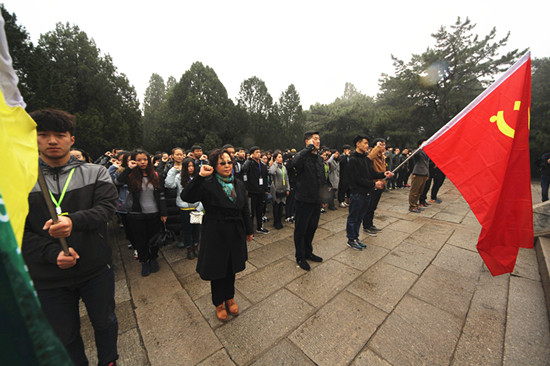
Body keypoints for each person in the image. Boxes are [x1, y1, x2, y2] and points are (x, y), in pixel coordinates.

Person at [22, 109, 119, 366]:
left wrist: (73, 221)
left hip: (95, 268)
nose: (52, 141)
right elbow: (17, 232)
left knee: (106, 322)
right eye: (43, 135)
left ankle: (109, 361)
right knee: (65, 335)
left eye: (59, 134)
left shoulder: (95, 172)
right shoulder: (21, 180)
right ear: (34, 139)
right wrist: (51, 254)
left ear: (71, 139)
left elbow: (106, 210)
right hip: (49, 277)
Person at [181, 149, 253, 321]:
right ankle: (218, 302)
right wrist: (200, 176)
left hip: (235, 231)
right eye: (222, 163)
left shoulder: (238, 184)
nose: (227, 166)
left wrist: (249, 229)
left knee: (231, 268)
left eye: (229, 162)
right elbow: (187, 196)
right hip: (216, 233)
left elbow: (244, 208)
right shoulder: (208, 184)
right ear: (214, 165)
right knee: (218, 269)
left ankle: (230, 297)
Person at [116, 149, 167, 276]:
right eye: (139, 160)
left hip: (154, 213)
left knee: (154, 239)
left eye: (145, 159)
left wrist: (163, 212)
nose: (142, 162)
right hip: (136, 214)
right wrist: (129, 168)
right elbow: (117, 182)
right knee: (140, 240)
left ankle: (153, 258)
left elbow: (161, 195)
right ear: (134, 161)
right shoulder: (130, 176)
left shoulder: (155, 175)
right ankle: (144, 261)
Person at [345, 135, 392, 250]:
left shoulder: (365, 159)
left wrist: (383, 174)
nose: (367, 146)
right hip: (357, 193)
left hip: (366, 193)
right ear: (358, 144)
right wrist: (373, 184)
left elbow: (372, 174)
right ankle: (351, 239)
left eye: (367, 144)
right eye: (365, 143)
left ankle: (356, 238)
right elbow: (356, 179)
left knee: (360, 217)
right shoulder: (353, 160)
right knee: (353, 217)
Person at [290, 131, 327, 271]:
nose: (318, 141)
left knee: (312, 228)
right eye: (315, 139)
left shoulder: (318, 158)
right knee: (301, 229)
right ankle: (300, 256)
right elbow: (294, 163)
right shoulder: (302, 156)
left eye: (319, 139)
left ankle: (308, 252)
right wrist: (307, 149)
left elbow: (321, 178)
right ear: (307, 141)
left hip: (316, 200)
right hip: (303, 200)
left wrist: (323, 197)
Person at [165, 157, 203, 258]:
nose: (190, 168)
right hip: (185, 208)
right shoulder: (178, 177)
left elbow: (203, 192)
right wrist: (173, 170)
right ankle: (189, 248)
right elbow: (169, 185)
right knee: (187, 230)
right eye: (188, 166)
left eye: (192, 166)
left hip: (196, 207)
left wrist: (200, 206)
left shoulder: (198, 177)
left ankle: (196, 247)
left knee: (196, 229)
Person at [242, 146, 270, 234]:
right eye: (256, 152)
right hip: (252, 191)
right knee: (251, 212)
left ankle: (259, 226)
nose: (259, 154)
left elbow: (265, 177)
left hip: (261, 191)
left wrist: (266, 188)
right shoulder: (249, 164)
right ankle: (249, 230)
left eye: (259, 152)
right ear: (252, 154)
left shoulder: (262, 165)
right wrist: (249, 160)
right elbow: (244, 171)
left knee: (260, 210)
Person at [363, 138, 387, 236]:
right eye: (381, 145)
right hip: (373, 184)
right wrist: (377, 147)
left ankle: (370, 224)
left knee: (373, 207)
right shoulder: (372, 156)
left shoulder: (382, 157)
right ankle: (366, 226)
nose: (383, 147)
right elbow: (370, 157)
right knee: (369, 207)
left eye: (384, 145)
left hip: (380, 183)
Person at [268, 151, 289, 229]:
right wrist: (275, 163)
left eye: (281, 157)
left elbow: (286, 178)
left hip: (283, 189)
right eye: (279, 157)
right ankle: (276, 222)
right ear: (275, 158)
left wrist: (288, 188)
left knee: (281, 207)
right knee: (276, 206)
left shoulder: (284, 167)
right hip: (276, 189)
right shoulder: (274, 167)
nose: (281, 159)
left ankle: (279, 221)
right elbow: (271, 172)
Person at [409, 140, 429, 213]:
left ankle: (416, 205)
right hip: (418, 173)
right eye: (424, 143)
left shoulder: (426, 153)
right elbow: (415, 154)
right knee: (414, 191)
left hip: (424, 174)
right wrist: (421, 148)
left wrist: (427, 174)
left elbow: (427, 165)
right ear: (419, 145)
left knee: (420, 191)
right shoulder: (419, 152)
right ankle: (412, 206)